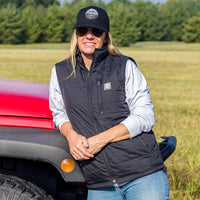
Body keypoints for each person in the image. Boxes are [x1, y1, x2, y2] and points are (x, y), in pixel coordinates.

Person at [49, 6, 169, 200]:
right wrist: (71, 136)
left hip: (142, 175)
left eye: (96, 31)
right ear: (76, 35)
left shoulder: (124, 66)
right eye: (83, 30)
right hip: (99, 183)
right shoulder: (60, 72)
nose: (89, 36)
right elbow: (59, 113)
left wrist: (100, 140)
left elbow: (145, 116)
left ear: (105, 36)